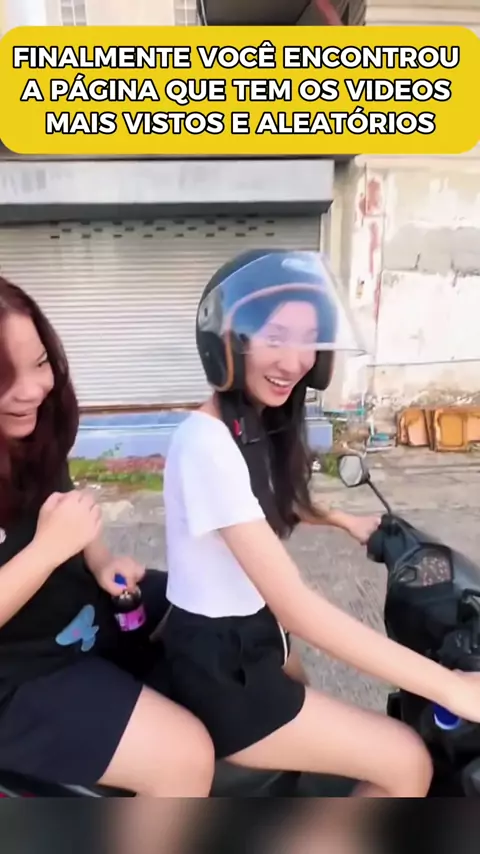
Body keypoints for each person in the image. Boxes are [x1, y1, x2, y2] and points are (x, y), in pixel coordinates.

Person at [161, 249, 480, 798]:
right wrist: (450, 686)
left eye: (309, 339)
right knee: (407, 761)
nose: (296, 361)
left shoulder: (249, 425)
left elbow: (260, 501)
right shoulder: (205, 444)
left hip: (255, 639)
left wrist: (343, 520)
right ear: (228, 341)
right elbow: (299, 607)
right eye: (276, 336)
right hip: (223, 668)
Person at [0, 276, 214, 797]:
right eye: (4, 376)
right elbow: (52, 537)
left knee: (225, 618)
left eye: (40, 363)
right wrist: (47, 549)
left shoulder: (28, 431)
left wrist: (99, 561)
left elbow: (64, 504)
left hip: (85, 619)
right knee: (185, 758)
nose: (32, 390)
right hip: (19, 677)